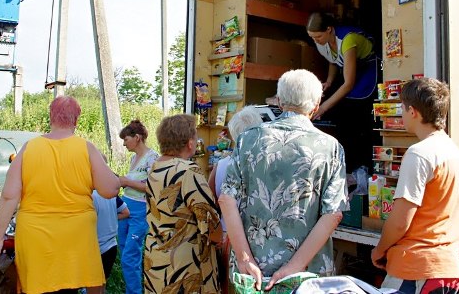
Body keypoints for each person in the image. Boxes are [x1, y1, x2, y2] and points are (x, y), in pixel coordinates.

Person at [219, 69, 348, 291]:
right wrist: (295, 266)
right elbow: (333, 214)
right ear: (316, 105)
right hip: (308, 274)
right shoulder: (331, 148)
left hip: (254, 273)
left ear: (279, 101)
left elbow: (226, 199)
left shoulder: (247, 139)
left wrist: (244, 258)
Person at [0, 96, 121, 294]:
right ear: (76, 120)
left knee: (37, 287)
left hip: (35, 236)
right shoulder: (86, 147)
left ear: (50, 117)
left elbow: (9, 196)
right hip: (76, 236)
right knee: (69, 287)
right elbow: (110, 189)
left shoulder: (29, 147)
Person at [371, 78, 459, 294]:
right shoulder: (456, 154)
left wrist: (379, 250)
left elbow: (400, 221)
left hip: (414, 269)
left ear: (412, 112)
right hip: (447, 269)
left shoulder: (419, 154)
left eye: (402, 108)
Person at [143, 114, 221, 293]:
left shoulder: (155, 167)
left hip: (156, 256)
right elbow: (208, 218)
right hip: (185, 262)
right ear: (190, 143)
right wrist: (220, 239)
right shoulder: (188, 171)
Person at [306, 12, 379, 171]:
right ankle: (348, 164)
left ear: (329, 29)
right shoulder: (322, 41)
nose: (315, 41)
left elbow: (348, 84)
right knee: (342, 113)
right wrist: (329, 81)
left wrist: (323, 108)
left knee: (359, 114)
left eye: (318, 37)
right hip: (348, 71)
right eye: (312, 37)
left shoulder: (348, 40)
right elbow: (333, 60)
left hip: (367, 68)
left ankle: (364, 165)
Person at [207, 106, 263, 294]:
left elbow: (211, 204)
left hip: (226, 238)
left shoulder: (221, 165)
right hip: (257, 240)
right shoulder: (264, 165)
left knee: (227, 287)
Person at [118, 120, 158, 294]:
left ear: (137, 137)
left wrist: (127, 182)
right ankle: (131, 289)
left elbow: (153, 187)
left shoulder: (152, 158)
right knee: (124, 251)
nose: (124, 144)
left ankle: (134, 292)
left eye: (126, 139)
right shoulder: (133, 158)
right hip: (125, 206)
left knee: (130, 255)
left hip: (140, 210)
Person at [92, 191, 130, 281]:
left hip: (94, 249)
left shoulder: (87, 195)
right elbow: (126, 212)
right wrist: (110, 218)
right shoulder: (109, 192)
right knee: (101, 284)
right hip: (111, 247)